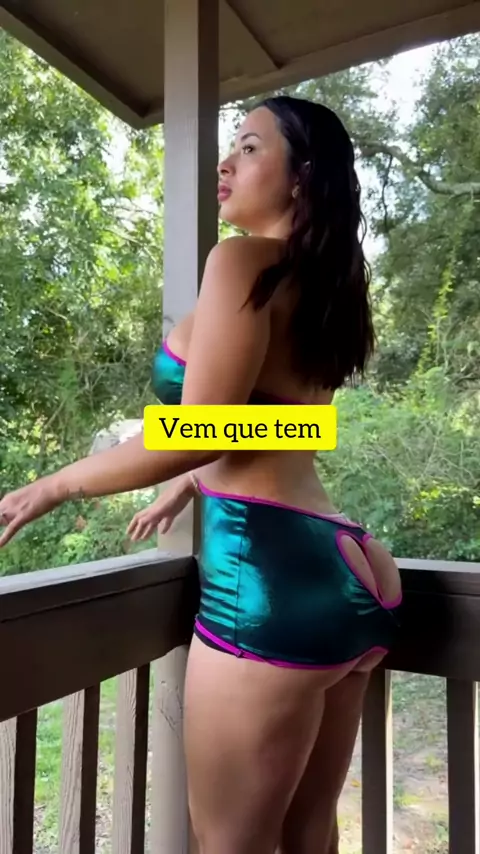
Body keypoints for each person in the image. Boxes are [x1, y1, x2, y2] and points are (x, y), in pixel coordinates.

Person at [0, 95, 402, 854]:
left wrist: (54, 483)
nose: (225, 162)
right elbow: (295, 426)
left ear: (301, 177)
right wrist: (185, 485)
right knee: (309, 836)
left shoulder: (240, 261)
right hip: (350, 566)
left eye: (249, 147)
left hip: (267, 575)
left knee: (225, 843)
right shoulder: (327, 286)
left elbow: (202, 429)